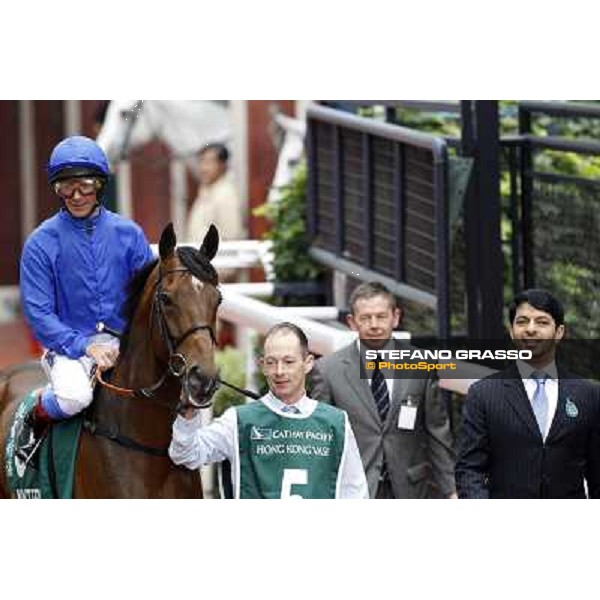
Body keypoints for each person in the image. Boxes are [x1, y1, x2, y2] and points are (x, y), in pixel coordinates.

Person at [16, 135, 154, 461]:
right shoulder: (40, 243)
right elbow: (38, 313)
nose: (76, 196)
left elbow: (147, 295)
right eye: (66, 187)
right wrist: (85, 347)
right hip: (68, 348)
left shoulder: (130, 234)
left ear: (100, 185)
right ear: (57, 190)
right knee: (75, 398)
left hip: (125, 343)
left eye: (86, 185)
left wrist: (129, 341)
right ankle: (34, 416)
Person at [169, 322, 368, 499]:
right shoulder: (238, 420)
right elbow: (186, 454)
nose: (279, 371)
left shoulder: (337, 422)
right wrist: (189, 408)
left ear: (308, 364)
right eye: (272, 362)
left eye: (289, 362)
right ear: (262, 366)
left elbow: (356, 495)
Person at [311, 282, 457, 499]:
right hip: (353, 491)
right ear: (352, 322)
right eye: (365, 318)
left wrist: (451, 490)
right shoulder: (327, 370)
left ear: (395, 317)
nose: (374, 325)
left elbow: (437, 432)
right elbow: (320, 438)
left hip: (410, 489)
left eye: (381, 316)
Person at [455, 288, 600, 498]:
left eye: (541, 322)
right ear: (512, 330)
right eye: (522, 321)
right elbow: (469, 469)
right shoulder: (483, 394)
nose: (530, 329)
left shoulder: (588, 394)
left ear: (559, 332)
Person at [185, 143, 245, 252]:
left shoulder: (225, 194)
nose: (203, 168)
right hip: (199, 265)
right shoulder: (207, 191)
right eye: (201, 162)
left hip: (216, 266)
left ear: (222, 165)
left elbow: (232, 239)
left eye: (208, 162)